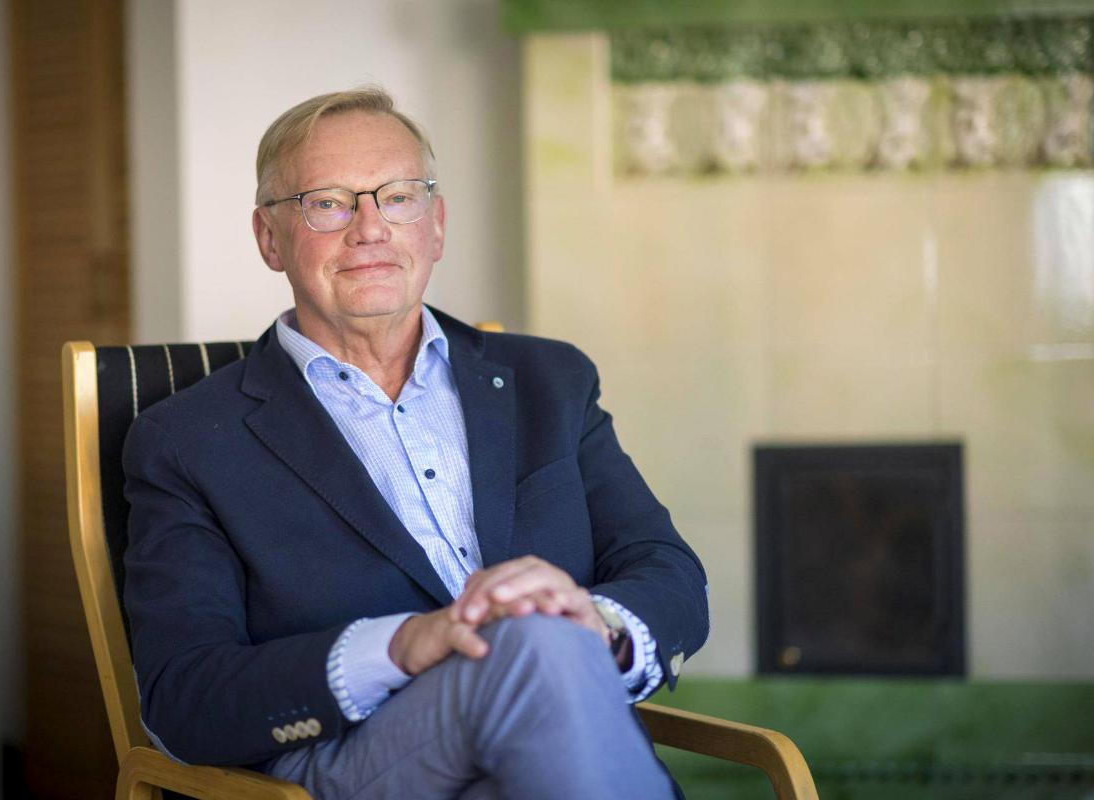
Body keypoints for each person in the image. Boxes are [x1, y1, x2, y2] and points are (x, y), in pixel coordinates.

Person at [122, 87, 709, 800]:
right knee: (534, 641)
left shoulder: (549, 381)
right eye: (327, 203)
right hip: (351, 755)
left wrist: (598, 622)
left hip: (547, 749)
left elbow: (666, 570)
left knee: (542, 664)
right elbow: (183, 696)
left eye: (398, 197)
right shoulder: (185, 441)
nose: (370, 228)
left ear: (436, 225)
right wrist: (400, 645)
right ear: (269, 238)